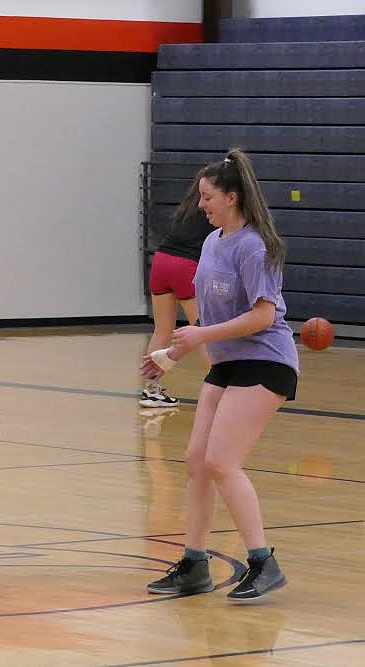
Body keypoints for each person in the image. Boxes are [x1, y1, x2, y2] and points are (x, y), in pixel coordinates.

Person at [141, 148, 297, 603]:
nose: (202, 204)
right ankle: (193, 564)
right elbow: (206, 323)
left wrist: (200, 334)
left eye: (208, 197)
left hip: (267, 361)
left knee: (220, 462)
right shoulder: (211, 244)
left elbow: (263, 316)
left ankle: (263, 561)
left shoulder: (255, 245)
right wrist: (172, 354)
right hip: (228, 364)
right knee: (195, 462)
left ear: (231, 197)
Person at [140, 182, 215, 408]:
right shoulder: (217, 209)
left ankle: (151, 391)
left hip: (161, 260)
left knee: (161, 331)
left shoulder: (187, 207)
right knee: (203, 332)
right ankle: (219, 390)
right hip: (186, 266)